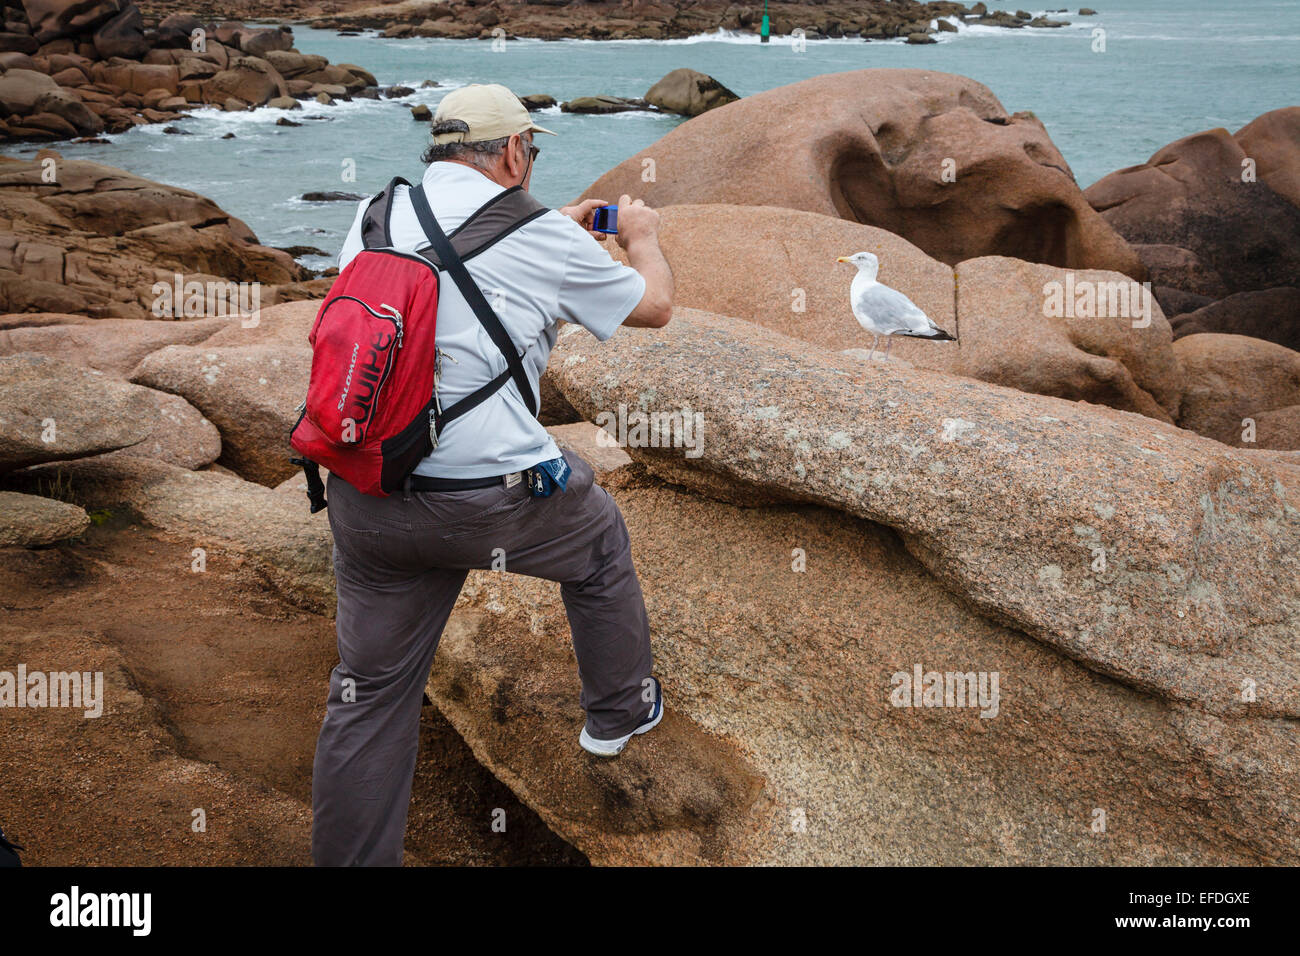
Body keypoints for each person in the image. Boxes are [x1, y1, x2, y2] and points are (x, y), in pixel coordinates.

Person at [311, 83, 674, 866]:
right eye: (532, 151)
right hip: (492, 502)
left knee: (367, 694)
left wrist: (553, 232)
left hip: (369, 493)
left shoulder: (376, 213)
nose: (532, 163)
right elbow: (653, 308)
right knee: (601, 539)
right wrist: (638, 236)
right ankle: (618, 715)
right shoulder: (537, 229)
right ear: (514, 152)